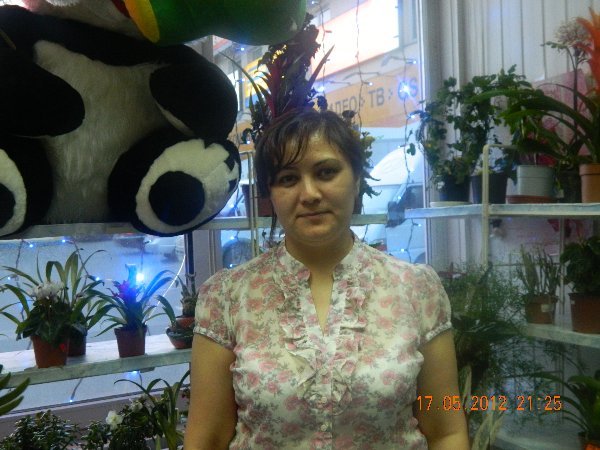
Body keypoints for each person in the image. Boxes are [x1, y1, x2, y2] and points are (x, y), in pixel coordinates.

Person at [183, 109, 469, 449]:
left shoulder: (416, 289)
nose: (309, 194)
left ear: (357, 179)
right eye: (288, 178)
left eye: (326, 172)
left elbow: (446, 431)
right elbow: (208, 438)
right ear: (269, 194)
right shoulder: (228, 297)